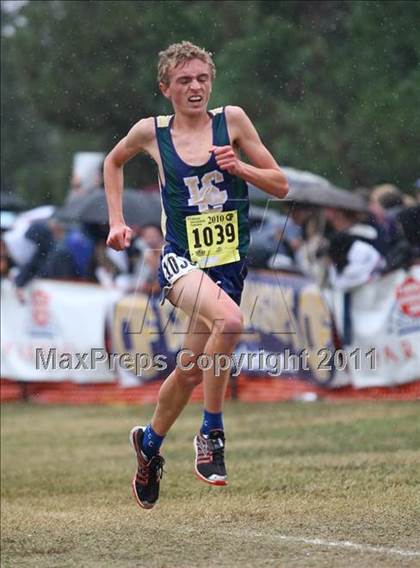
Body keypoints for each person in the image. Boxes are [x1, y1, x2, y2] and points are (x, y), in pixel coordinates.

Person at [104, 41, 288, 509]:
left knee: (188, 371)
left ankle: (149, 445)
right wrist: (116, 221)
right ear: (165, 87)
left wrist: (239, 166)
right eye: (184, 80)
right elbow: (112, 162)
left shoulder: (234, 122)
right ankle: (211, 432)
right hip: (181, 260)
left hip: (228, 263)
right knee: (230, 323)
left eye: (202, 78)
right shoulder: (152, 131)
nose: (195, 87)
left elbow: (281, 185)